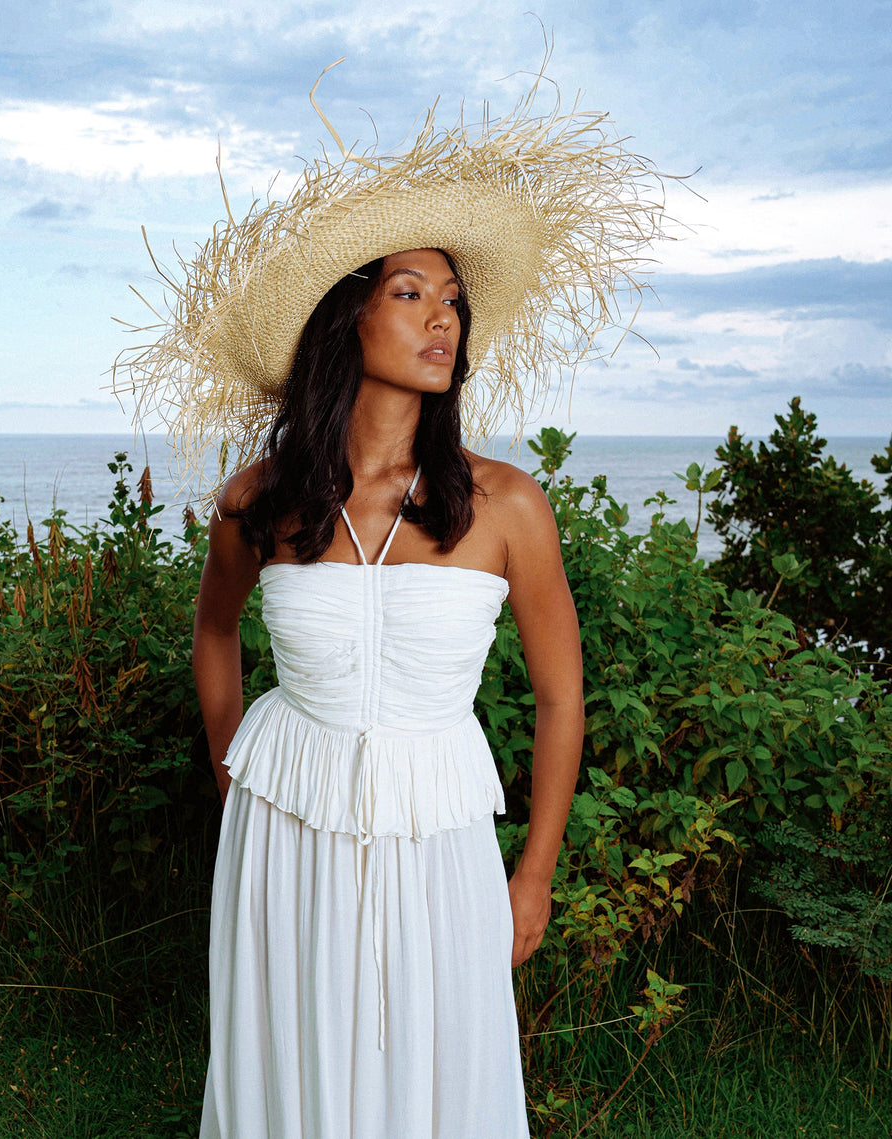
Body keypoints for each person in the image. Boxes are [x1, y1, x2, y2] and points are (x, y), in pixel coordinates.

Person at [116, 65, 663, 1139]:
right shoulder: (259, 501)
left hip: (437, 832)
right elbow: (214, 632)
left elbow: (562, 698)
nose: (442, 317)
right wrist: (233, 769)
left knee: (433, 1067)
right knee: (294, 1060)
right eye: (412, 293)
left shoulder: (508, 505)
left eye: (452, 299)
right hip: (283, 826)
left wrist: (535, 874)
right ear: (346, 317)